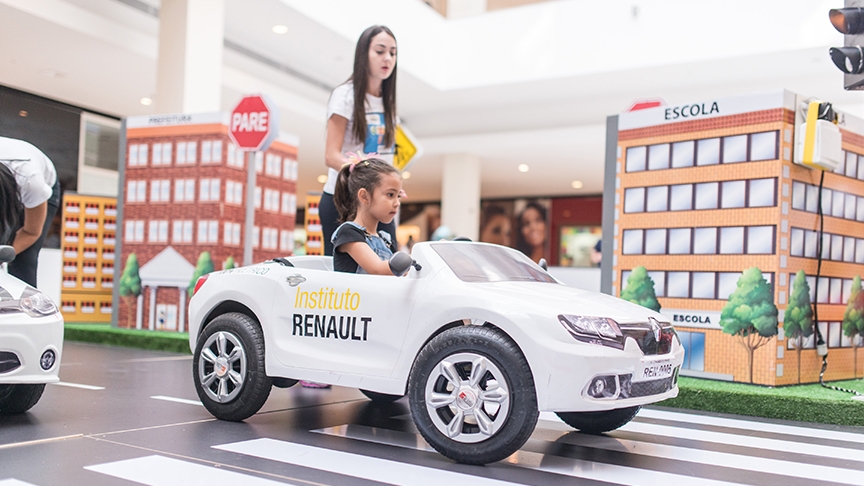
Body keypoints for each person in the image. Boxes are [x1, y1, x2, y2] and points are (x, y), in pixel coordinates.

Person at [320, 25, 399, 256]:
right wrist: (368, 174)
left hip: (379, 201)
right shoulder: (345, 95)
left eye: (393, 53)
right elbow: (331, 155)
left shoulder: (388, 104)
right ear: (364, 54)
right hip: (343, 200)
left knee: (389, 266)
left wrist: (390, 188)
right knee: (344, 279)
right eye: (380, 51)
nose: (387, 58)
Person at [0, 136, 60, 287]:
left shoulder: (31, 182)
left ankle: (24, 307)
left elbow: (31, 233)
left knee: (22, 258)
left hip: (44, 183)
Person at [331, 158, 403, 274]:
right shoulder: (349, 232)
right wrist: (415, 258)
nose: (397, 203)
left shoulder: (385, 239)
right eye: (390, 195)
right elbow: (377, 269)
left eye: (398, 196)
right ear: (364, 196)